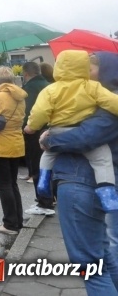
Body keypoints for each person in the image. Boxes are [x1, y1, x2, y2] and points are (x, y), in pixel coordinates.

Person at [42, 52, 118, 295]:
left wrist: (50, 139)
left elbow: (87, 136)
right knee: (103, 255)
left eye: (91, 68)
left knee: (89, 265)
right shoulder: (94, 99)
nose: (85, 73)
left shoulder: (109, 104)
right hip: (87, 182)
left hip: (82, 183)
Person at [25, 50, 118, 211]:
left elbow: (40, 111)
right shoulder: (92, 86)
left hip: (57, 130)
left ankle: (44, 180)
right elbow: (111, 102)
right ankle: (106, 190)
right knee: (102, 159)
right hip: (79, 127)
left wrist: (31, 127)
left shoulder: (50, 89)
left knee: (47, 155)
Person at [0, 66, 27, 236]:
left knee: (4, 186)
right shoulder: (20, 96)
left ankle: (10, 223)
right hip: (16, 143)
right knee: (12, 184)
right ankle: (17, 220)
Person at [21, 61, 55, 216]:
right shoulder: (50, 85)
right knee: (49, 167)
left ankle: (43, 201)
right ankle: (51, 197)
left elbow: (27, 113)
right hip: (53, 130)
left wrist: (26, 128)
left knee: (37, 168)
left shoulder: (29, 89)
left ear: (26, 74)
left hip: (35, 133)